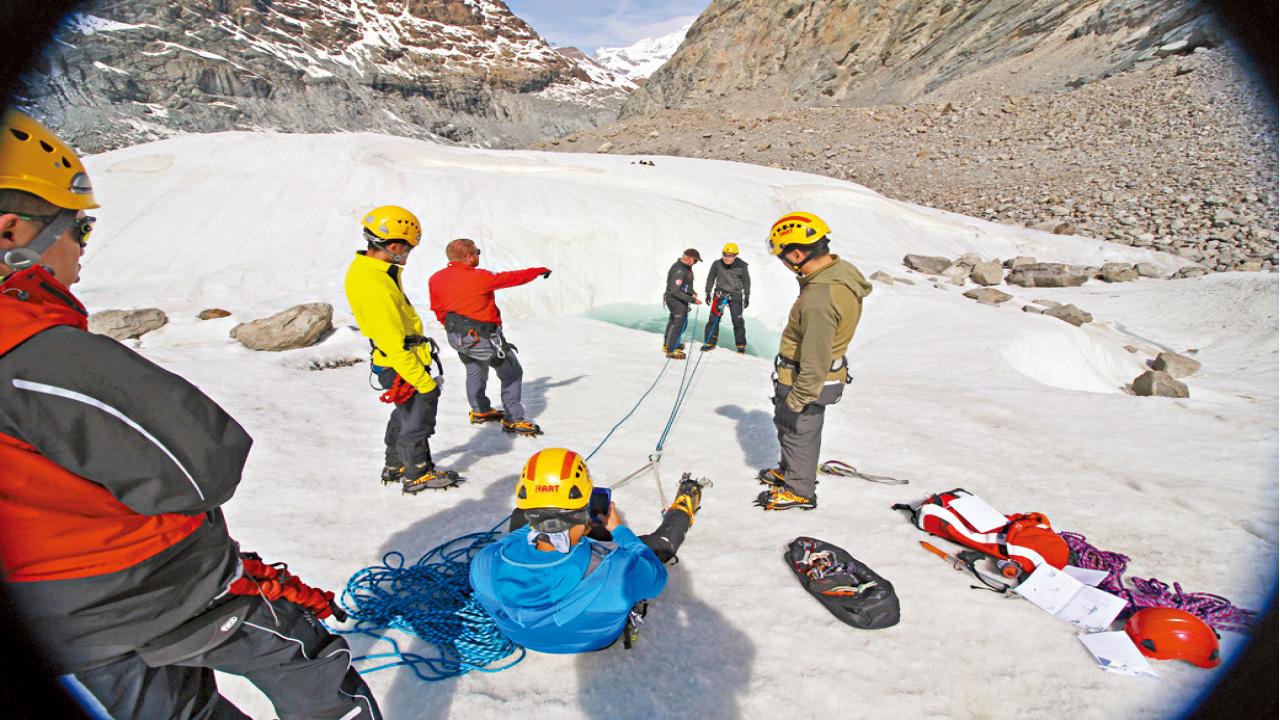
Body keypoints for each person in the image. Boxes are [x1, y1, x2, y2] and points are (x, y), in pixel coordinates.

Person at [0, 109, 381, 719]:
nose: (82, 245)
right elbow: (203, 464)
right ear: (14, 231)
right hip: (155, 588)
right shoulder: (34, 349)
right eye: (79, 226)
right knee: (310, 669)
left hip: (57, 620)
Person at [469, 448, 705, 653]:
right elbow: (657, 578)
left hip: (521, 637)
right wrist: (621, 532)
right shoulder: (620, 569)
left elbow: (517, 536)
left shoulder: (485, 562)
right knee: (657, 548)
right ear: (584, 509)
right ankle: (683, 507)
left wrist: (543, 519)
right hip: (596, 640)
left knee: (521, 525)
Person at [756, 211, 872, 511]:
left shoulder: (820, 298)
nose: (783, 263)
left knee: (799, 430)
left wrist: (798, 398)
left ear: (797, 253)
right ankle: (791, 471)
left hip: (805, 380)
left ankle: (799, 489)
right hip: (808, 376)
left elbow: (816, 355)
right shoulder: (836, 274)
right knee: (792, 430)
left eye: (783, 256)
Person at [344, 204, 458, 493]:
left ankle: (395, 464)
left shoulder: (372, 272)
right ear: (394, 245)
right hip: (401, 363)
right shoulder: (374, 285)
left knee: (404, 414)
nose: (408, 255)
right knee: (417, 419)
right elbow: (392, 344)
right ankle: (417, 472)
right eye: (407, 249)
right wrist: (424, 383)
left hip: (396, 362)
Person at [428, 237, 550, 436]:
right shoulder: (479, 277)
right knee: (511, 371)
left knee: (475, 369)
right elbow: (511, 278)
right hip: (483, 338)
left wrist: (455, 329)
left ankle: (480, 410)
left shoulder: (436, 278)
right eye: (477, 252)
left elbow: (438, 308)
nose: (478, 255)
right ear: (468, 257)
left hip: (458, 337)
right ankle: (513, 419)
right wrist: (536, 272)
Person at [701, 242, 751, 353]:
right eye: (725, 254)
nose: (727, 257)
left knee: (737, 321)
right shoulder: (717, 264)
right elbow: (710, 278)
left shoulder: (742, 266)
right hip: (720, 294)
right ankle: (709, 342)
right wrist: (707, 292)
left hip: (735, 295)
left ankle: (741, 345)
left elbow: (746, 281)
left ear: (735, 255)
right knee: (713, 319)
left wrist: (747, 295)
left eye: (730, 255)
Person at [662, 248, 703, 359]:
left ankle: (668, 344)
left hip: (678, 299)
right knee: (678, 324)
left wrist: (691, 292)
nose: (695, 263)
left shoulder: (685, 267)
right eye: (695, 261)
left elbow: (684, 285)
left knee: (673, 321)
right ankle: (671, 350)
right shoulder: (680, 270)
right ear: (689, 259)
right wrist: (693, 300)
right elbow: (675, 291)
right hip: (676, 300)